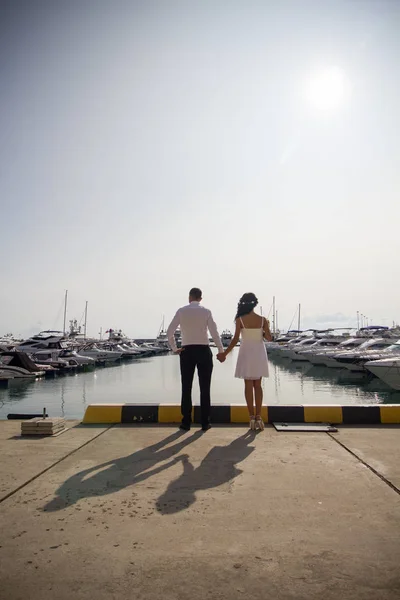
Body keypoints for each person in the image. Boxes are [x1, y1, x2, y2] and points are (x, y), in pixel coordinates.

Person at [167, 287, 224, 432]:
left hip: (187, 351)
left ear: (189, 297)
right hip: (204, 351)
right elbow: (214, 332)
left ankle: (186, 422)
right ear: (200, 298)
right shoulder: (206, 311)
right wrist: (221, 350)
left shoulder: (181, 311)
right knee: (205, 388)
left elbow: (170, 332)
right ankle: (205, 423)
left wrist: (175, 348)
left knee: (186, 387)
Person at [217, 293, 272, 430]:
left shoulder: (240, 320)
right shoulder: (262, 320)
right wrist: (266, 329)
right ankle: (259, 417)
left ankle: (251, 418)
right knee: (258, 385)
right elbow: (269, 338)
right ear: (254, 304)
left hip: (246, 353)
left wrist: (225, 353)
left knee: (248, 385)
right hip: (259, 352)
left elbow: (235, 339)